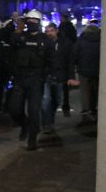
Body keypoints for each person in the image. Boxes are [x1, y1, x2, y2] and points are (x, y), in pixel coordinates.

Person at [11, 10, 51, 151]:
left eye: (35, 20)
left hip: (36, 79)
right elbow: (9, 46)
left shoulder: (45, 40)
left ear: (39, 22)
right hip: (20, 78)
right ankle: (24, 125)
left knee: (34, 111)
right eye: (29, 20)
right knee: (15, 109)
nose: (32, 22)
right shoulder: (19, 37)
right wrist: (18, 27)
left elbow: (51, 60)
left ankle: (32, 139)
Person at [41, 23, 77, 141]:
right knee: (46, 99)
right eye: (47, 31)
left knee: (57, 99)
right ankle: (46, 124)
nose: (49, 33)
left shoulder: (66, 43)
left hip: (60, 76)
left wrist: (71, 76)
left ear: (56, 31)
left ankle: (50, 119)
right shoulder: (44, 43)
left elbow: (70, 61)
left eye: (51, 31)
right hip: (47, 75)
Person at [75, 18, 100, 124]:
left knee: (85, 91)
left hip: (83, 70)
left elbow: (75, 52)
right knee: (95, 91)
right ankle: (93, 109)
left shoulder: (82, 39)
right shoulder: (101, 38)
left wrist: (76, 65)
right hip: (97, 69)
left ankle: (86, 110)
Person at [59, 14, 78, 116]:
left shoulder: (62, 28)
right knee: (65, 87)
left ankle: (64, 105)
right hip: (67, 58)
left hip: (63, 58)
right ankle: (65, 106)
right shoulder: (71, 28)